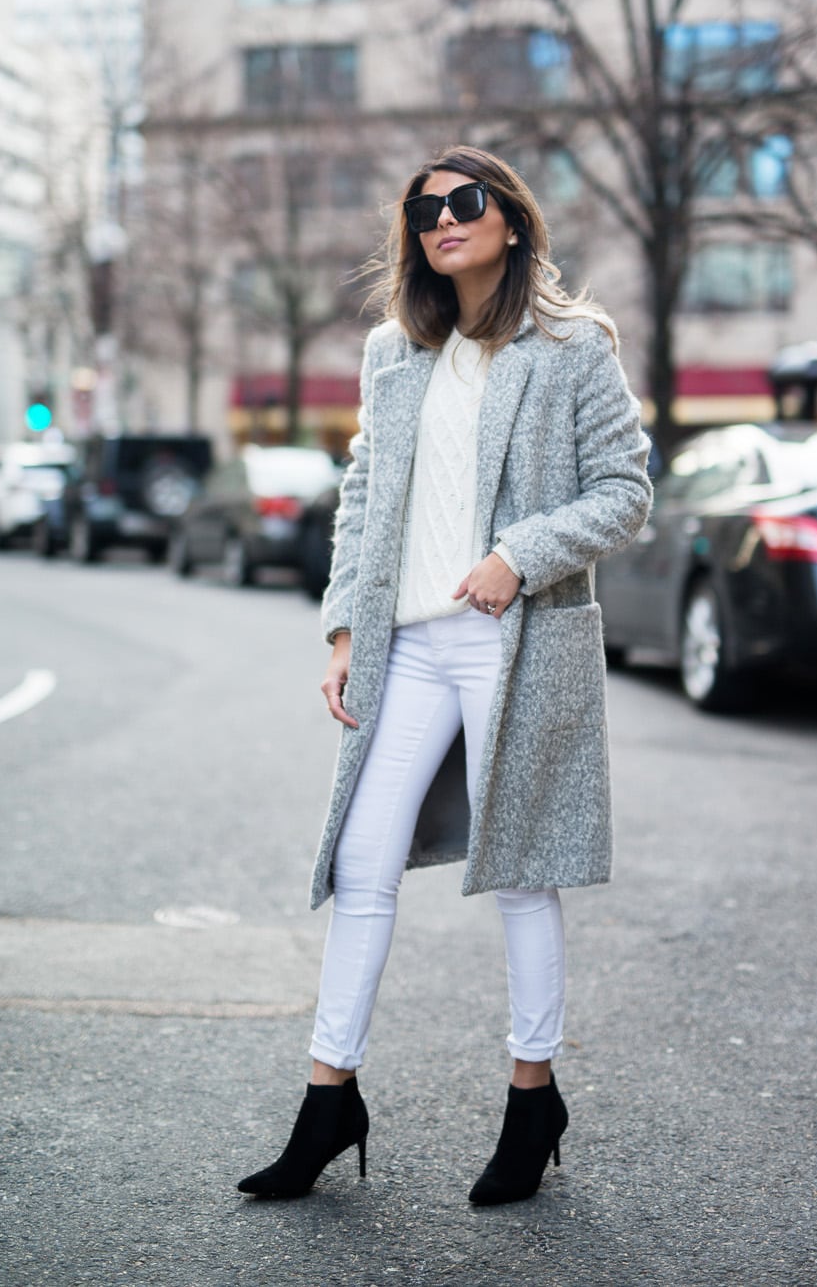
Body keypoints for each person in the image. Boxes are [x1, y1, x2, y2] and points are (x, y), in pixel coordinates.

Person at [237, 145, 652, 1206]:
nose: (441, 221)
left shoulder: (570, 347)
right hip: (407, 643)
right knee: (361, 860)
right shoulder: (395, 350)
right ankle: (328, 1100)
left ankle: (531, 1095)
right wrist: (341, 629)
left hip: (515, 636)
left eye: (463, 203)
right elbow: (364, 492)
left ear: (508, 219)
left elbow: (624, 490)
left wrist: (519, 555)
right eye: (423, 210)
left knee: (519, 868)